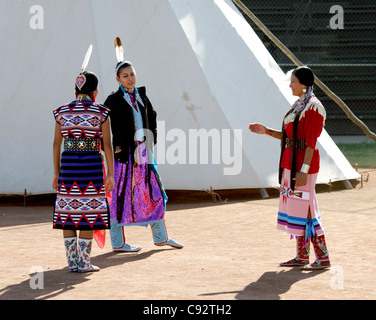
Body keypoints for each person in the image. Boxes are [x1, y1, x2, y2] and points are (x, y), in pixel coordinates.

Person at [103, 37, 183, 252]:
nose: (130, 78)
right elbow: (105, 125)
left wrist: (152, 139)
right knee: (120, 196)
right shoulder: (113, 100)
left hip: (143, 153)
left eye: (132, 74)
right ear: (118, 79)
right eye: (125, 76)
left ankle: (161, 237)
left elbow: (153, 117)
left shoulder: (142, 96)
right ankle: (118, 243)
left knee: (154, 191)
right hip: (124, 155)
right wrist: (115, 146)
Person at [248, 66, 330, 270]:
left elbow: (310, 142)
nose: (291, 86)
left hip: (303, 167)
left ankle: (322, 257)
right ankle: (302, 256)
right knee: (299, 208)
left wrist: (304, 170)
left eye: (293, 82)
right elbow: (290, 138)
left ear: (304, 84)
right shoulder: (298, 105)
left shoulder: (313, 107)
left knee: (308, 209)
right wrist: (266, 131)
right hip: (289, 164)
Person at [52, 48, 115, 272]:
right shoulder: (101, 112)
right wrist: (111, 174)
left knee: (68, 214)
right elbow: (107, 145)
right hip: (91, 168)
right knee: (89, 213)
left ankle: (73, 263)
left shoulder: (62, 112)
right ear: (95, 90)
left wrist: (56, 172)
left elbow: (56, 145)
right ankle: (84, 263)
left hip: (68, 167)